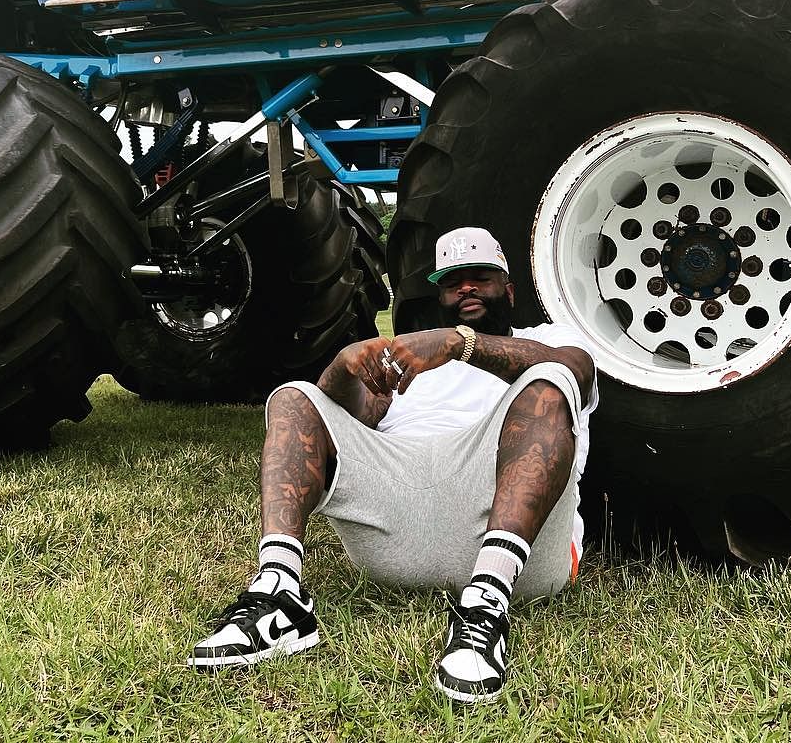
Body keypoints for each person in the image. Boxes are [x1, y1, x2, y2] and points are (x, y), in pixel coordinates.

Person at [188, 226, 598, 703]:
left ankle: (485, 606)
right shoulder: (410, 363)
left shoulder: (548, 340)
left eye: (479, 277)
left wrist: (457, 344)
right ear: (440, 295)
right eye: (452, 281)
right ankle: (279, 594)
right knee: (295, 398)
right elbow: (348, 416)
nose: (465, 288)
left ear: (508, 290)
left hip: (517, 544)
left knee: (549, 382)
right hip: (398, 523)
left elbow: (575, 371)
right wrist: (341, 369)